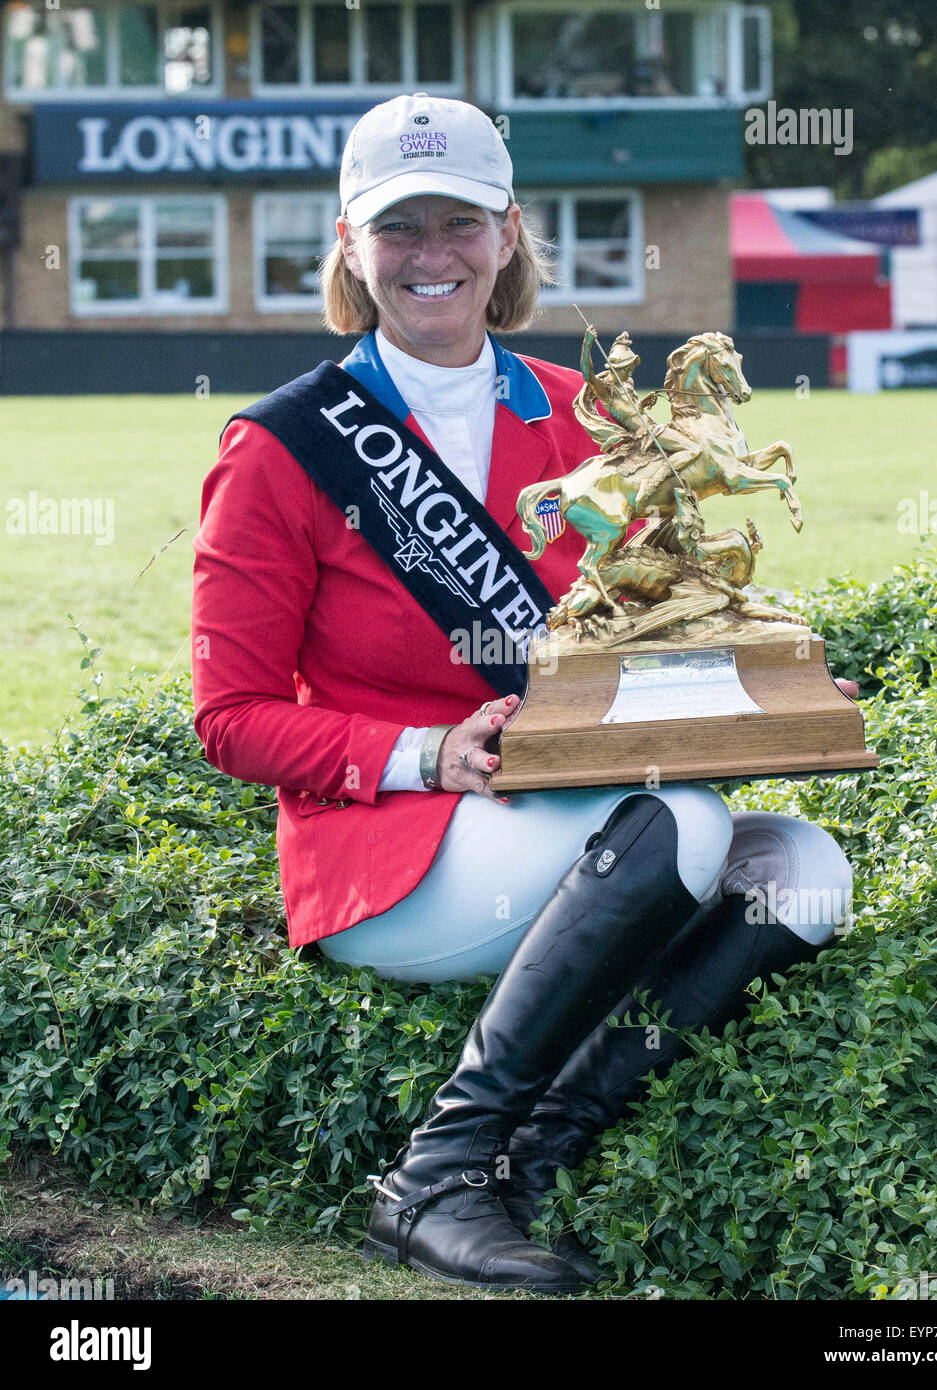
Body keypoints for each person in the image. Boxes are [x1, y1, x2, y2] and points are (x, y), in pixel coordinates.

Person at [191, 92, 858, 1295]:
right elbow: (231, 719)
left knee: (804, 869)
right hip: (388, 850)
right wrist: (426, 753)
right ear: (351, 244)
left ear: (507, 236)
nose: (430, 255)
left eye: (459, 223)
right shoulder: (282, 447)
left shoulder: (584, 415)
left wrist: (763, 684)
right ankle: (430, 1181)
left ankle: (531, 1161)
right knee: (692, 824)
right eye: (400, 228)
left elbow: (647, 625)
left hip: (571, 817)